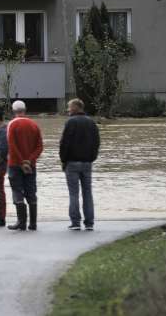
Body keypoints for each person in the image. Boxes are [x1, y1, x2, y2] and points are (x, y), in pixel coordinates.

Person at [59, 98, 100, 231]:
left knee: (74, 193)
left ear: (76, 108)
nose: (68, 110)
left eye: (69, 107)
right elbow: (96, 143)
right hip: (87, 163)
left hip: (72, 163)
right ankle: (89, 223)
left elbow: (64, 143)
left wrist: (63, 160)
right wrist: (92, 158)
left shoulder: (70, 122)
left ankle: (76, 222)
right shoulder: (91, 122)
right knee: (88, 193)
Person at [6, 100, 43, 231]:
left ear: (13, 111)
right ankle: (33, 223)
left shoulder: (12, 124)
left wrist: (22, 161)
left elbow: (11, 145)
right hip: (31, 164)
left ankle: (21, 222)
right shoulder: (34, 124)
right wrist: (29, 160)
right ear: (25, 110)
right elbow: (40, 146)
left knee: (17, 190)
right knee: (31, 191)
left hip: (15, 164)